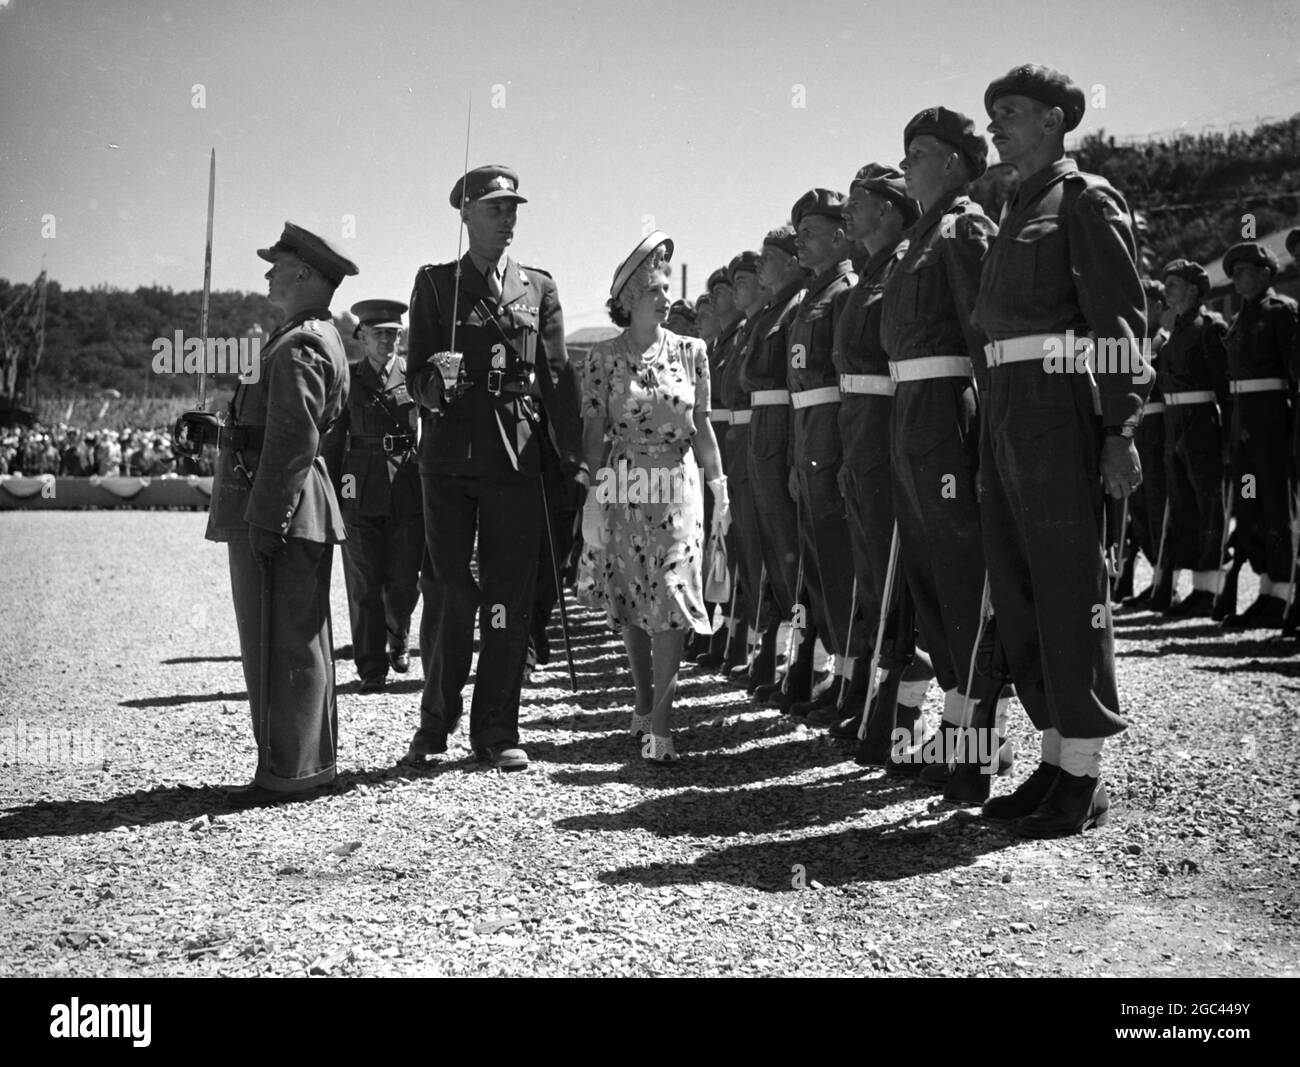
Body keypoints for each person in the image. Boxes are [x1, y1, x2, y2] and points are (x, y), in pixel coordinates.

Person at [975, 64, 1148, 835]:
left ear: (1054, 119)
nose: (995, 126)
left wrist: (1120, 429)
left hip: (1056, 406)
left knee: (1071, 585)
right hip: (1006, 410)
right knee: (1021, 590)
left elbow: (1119, 321)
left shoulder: (1085, 199)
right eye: (991, 116)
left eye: (1008, 112)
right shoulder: (1012, 206)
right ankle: (1054, 756)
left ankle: (1084, 775)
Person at [403, 165, 585, 772]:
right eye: (494, 208)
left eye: (512, 209)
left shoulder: (539, 288)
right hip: (451, 457)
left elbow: (558, 377)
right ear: (465, 215)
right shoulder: (435, 285)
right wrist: (437, 379)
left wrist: (574, 458)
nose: (506, 218)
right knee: (452, 590)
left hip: (517, 455)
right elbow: (416, 382)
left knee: (509, 593)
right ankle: (435, 723)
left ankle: (498, 729)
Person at [204, 221, 355, 798]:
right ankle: (304, 764)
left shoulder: (302, 343)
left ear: (304, 272)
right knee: (295, 638)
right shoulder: (304, 336)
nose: (268, 271)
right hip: (290, 505)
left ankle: (289, 772)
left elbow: (293, 440)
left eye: (277, 262)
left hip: (280, 509)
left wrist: (266, 518)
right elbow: (272, 428)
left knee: (279, 642)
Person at [881, 108, 1005, 787]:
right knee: (931, 588)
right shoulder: (914, 243)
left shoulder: (964, 230)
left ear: (957, 161)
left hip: (948, 415)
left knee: (964, 585)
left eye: (922, 152)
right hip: (911, 419)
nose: (908, 164)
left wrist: (987, 447)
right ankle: (956, 731)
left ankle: (978, 743)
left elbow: (983, 340)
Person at [575, 232, 729, 761]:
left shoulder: (693, 352)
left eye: (666, 289)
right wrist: (592, 495)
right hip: (625, 483)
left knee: (671, 592)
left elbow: (703, 427)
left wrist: (720, 486)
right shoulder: (602, 357)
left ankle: (661, 725)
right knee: (634, 595)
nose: (665, 299)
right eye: (654, 290)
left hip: (679, 483)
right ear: (627, 301)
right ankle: (642, 699)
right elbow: (594, 430)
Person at [831, 163, 936, 750]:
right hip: (860, 433)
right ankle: (885, 699)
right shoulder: (873, 272)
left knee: (897, 578)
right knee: (875, 574)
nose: (849, 212)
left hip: (891, 432)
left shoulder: (898, 268)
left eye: (858, 202)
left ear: (890, 211)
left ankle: (904, 707)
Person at [786, 188, 861, 719]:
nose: (800, 243)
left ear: (840, 235)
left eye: (809, 233)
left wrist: (838, 455)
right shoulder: (814, 294)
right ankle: (841, 674)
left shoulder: (846, 291)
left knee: (843, 563)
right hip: (807, 435)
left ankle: (857, 678)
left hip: (833, 438)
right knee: (820, 564)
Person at [329, 298, 424, 693]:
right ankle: (371, 668)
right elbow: (334, 440)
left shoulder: (415, 376)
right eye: (379, 334)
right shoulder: (348, 380)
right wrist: (331, 493)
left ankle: (398, 635)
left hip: (406, 484)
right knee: (364, 582)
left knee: (405, 579)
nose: (387, 341)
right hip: (359, 488)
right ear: (362, 337)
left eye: (393, 334)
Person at [738, 225, 812, 705]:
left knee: (795, 552)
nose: (762, 266)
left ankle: (811, 660)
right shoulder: (771, 311)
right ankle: (791, 656)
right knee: (768, 550)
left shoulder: (795, 306)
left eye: (770, 257)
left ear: (789, 261)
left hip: (784, 427)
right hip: (761, 429)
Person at [1218, 241, 1298, 628]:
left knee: (1278, 510)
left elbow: (1294, 377)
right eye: (1233, 274)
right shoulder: (1240, 319)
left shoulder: (1280, 312)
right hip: (1245, 435)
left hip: (1271, 430)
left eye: (1245, 271)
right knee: (1251, 511)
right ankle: (1266, 589)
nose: (1237, 279)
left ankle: (1284, 593)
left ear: (1267, 272)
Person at [1157, 259, 1228, 617]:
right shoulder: (1171, 328)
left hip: (1201, 419)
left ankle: (1212, 589)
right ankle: (1196, 587)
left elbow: (1224, 388)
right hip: (1175, 422)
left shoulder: (1209, 327)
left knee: (1208, 504)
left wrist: (1229, 437)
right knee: (1184, 505)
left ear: (1194, 289)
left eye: (1173, 284)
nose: (1166, 290)